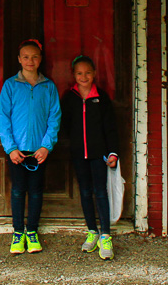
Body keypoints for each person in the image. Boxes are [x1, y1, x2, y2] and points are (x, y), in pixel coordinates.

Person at [0, 38, 61, 255]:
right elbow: (3, 119)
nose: (30, 61)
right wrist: (10, 148)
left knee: (35, 191)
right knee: (17, 191)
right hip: (17, 151)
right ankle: (17, 233)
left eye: (34, 57)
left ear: (41, 59)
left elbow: (54, 118)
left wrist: (46, 146)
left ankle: (32, 231)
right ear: (19, 59)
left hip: (39, 151)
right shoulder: (10, 85)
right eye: (26, 57)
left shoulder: (48, 86)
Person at [61, 54, 119, 260]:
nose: (83, 76)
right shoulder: (70, 98)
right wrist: (75, 143)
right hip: (79, 154)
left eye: (87, 73)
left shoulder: (101, 98)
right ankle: (92, 231)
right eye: (79, 73)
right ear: (73, 75)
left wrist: (112, 151)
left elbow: (110, 128)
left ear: (94, 73)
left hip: (99, 154)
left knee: (100, 192)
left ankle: (106, 235)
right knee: (85, 192)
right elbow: (65, 124)